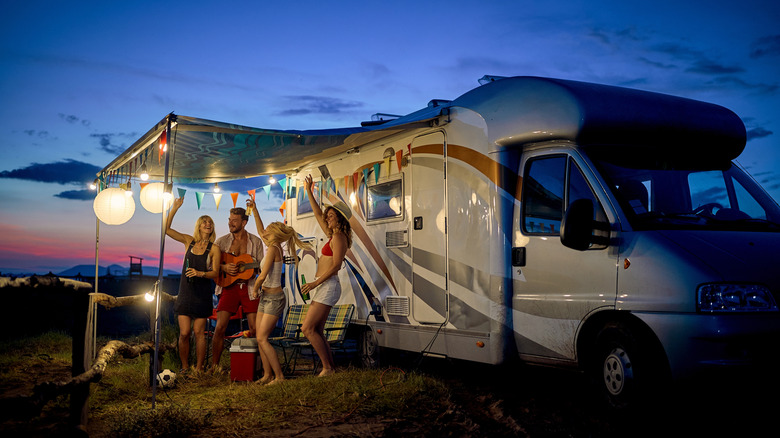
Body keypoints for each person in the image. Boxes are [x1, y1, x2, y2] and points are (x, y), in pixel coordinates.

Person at [248, 199, 312, 384]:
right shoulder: (272, 246)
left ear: (274, 233)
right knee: (260, 339)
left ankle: (279, 377)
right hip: (266, 296)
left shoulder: (273, 250)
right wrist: (255, 209)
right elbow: (260, 230)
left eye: (268, 228)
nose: (263, 231)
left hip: (274, 298)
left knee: (262, 337)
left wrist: (255, 288)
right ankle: (267, 375)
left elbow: (262, 275)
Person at [300, 174, 353, 377]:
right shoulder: (333, 236)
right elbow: (317, 213)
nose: (327, 218)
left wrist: (314, 283)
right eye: (328, 216)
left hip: (328, 284)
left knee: (308, 328)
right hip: (324, 285)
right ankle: (330, 368)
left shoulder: (339, 237)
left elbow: (336, 265)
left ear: (339, 219)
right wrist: (308, 191)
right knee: (317, 330)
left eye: (331, 216)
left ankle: (327, 368)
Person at [165, 197, 221, 373]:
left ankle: (198, 369)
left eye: (210, 222)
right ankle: (184, 367)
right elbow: (166, 230)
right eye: (204, 221)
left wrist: (200, 273)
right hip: (185, 293)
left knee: (199, 333)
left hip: (202, 294)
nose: (208, 224)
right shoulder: (189, 241)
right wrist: (174, 208)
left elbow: (216, 273)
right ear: (199, 226)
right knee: (184, 333)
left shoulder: (214, 249)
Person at [211, 204, 264, 370]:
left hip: (250, 288)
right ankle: (215, 366)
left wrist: (255, 269)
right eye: (229, 220)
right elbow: (210, 265)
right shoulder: (221, 242)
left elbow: (262, 266)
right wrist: (224, 268)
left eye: (235, 220)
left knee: (255, 329)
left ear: (244, 222)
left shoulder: (255, 241)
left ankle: (256, 367)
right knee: (220, 327)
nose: (230, 223)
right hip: (228, 288)